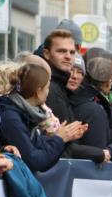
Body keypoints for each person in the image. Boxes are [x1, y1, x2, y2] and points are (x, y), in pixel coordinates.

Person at [0, 61, 86, 172]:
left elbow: (38, 146)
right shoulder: (11, 117)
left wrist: (64, 137)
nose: (48, 92)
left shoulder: (24, 113)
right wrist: (59, 139)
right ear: (39, 91)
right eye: (47, 87)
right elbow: (34, 161)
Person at [42, 29, 108, 164]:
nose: (68, 56)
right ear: (47, 54)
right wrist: (100, 153)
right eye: (61, 51)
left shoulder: (61, 87)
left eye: (71, 52)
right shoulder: (49, 88)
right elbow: (58, 143)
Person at [70, 56, 112, 161]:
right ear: (107, 80)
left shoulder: (84, 99)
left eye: (78, 72)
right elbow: (98, 148)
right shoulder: (95, 109)